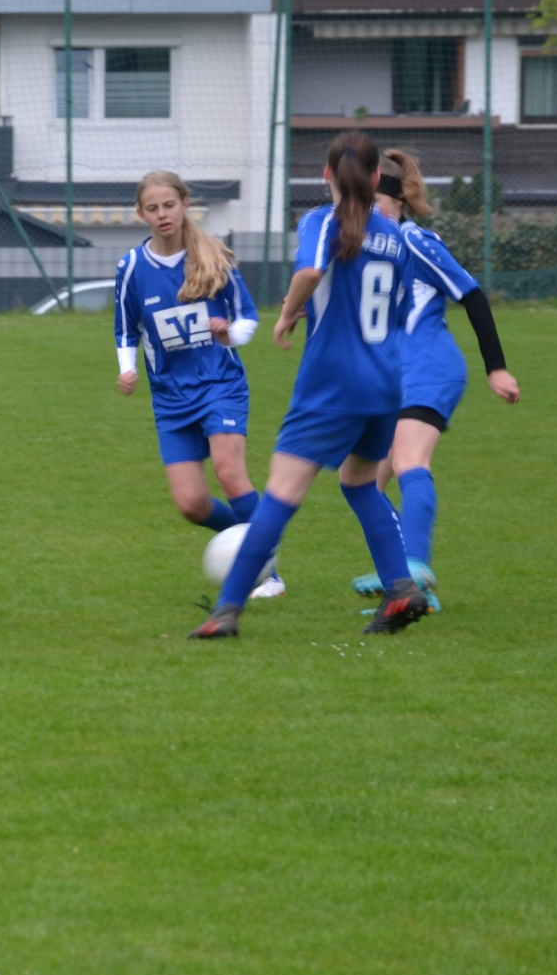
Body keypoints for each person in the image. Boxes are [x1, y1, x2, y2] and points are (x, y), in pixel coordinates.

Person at [189, 131, 431, 640]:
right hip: (385, 384)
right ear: (375, 178)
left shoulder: (322, 220)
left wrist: (287, 312)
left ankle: (226, 610)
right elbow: (398, 309)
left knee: (280, 495)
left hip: (332, 385)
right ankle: (401, 588)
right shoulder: (396, 235)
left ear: (326, 175)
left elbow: (312, 270)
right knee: (359, 483)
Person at [348, 149, 521, 610]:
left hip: (429, 366)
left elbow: (472, 295)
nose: (365, 213)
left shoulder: (414, 241)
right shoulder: (367, 251)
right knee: (365, 484)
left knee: (409, 460)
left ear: (396, 201)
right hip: (391, 376)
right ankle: (407, 591)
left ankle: (414, 567)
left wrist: (496, 366)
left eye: (373, 203)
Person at [113, 170, 283, 599]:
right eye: (153, 208)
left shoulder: (212, 258)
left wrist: (229, 335)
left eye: (169, 205)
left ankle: (269, 571)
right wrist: (127, 368)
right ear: (141, 214)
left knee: (229, 472)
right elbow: (125, 328)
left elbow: (248, 317)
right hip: (171, 398)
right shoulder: (132, 266)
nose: (162, 214)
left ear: (185, 204)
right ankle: (248, 541)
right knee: (191, 504)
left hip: (219, 384)